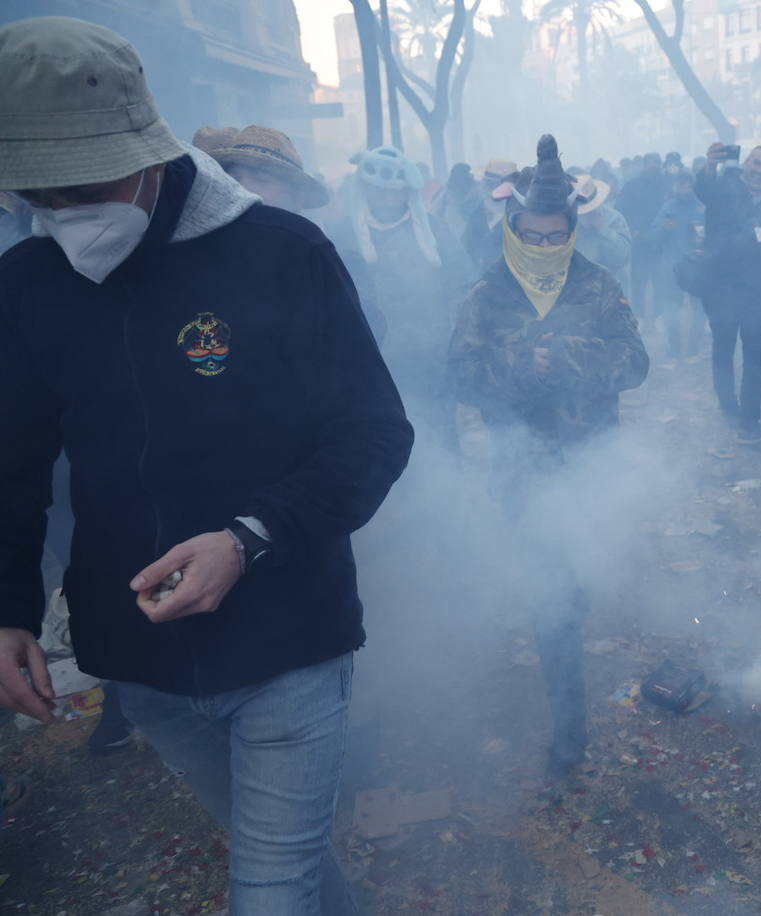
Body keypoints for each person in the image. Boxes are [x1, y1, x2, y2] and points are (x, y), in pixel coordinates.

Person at [0, 17, 413, 913]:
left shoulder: (283, 252)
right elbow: (12, 462)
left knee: (268, 890)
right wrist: (6, 610)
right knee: (288, 871)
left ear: (148, 147)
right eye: (41, 188)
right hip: (137, 659)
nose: (67, 208)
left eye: (87, 180)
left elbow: (375, 435)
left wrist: (248, 537)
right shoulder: (27, 282)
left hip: (286, 642)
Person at [450, 135, 648, 775]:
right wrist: (519, 366)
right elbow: (460, 377)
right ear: (514, 229)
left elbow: (636, 362)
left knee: (577, 584)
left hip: (590, 467)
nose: (541, 247)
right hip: (524, 472)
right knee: (553, 596)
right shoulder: (487, 294)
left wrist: (573, 359)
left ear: (571, 231)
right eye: (530, 236)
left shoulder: (598, 285)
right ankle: (570, 724)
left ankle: (565, 649)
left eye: (553, 236)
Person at [345, 145, 465, 444]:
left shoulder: (435, 231)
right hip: (370, 358)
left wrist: (452, 337)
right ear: (365, 189)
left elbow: (463, 283)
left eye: (394, 192)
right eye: (377, 190)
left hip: (430, 356)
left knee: (437, 435)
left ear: (407, 191)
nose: (386, 198)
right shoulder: (344, 234)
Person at [696, 143, 761, 442]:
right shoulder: (724, 185)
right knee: (723, 351)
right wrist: (710, 165)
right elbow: (704, 190)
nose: (759, 170)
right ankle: (728, 408)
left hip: (756, 292)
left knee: (755, 357)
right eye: (756, 163)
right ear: (746, 163)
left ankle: (749, 421)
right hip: (721, 288)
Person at [192, 125, 330, 214]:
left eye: (260, 180)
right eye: (234, 179)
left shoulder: (309, 246)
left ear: (296, 195)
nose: (242, 188)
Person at [649, 170, 708, 362]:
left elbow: (710, 237)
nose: (683, 188)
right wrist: (664, 229)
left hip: (696, 266)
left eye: (687, 184)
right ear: (674, 186)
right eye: (679, 184)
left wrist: (702, 239)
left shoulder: (701, 208)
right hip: (671, 266)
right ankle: (674, 348)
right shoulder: (667, 208)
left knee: (698, 308)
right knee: (670, 308)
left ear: (692, 185)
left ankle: (692, 349)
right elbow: (653, 237)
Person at [618, 151, 671, 317]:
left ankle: (658, 317)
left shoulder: (667, 185)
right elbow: (621, 209)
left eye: (656, 162)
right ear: (645, 164)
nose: (653, 165)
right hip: (640, 242)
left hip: (662, 242)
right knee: (639, 282)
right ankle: (640, 318)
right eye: (650, 162)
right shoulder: (632, 185)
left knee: (661, 282)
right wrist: (632, 229)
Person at [571, 171, 632, 277]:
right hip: (577, 283)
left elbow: (623, 257)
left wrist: (603, 229)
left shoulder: (614, 218)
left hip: (611, 283)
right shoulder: (568, 220)